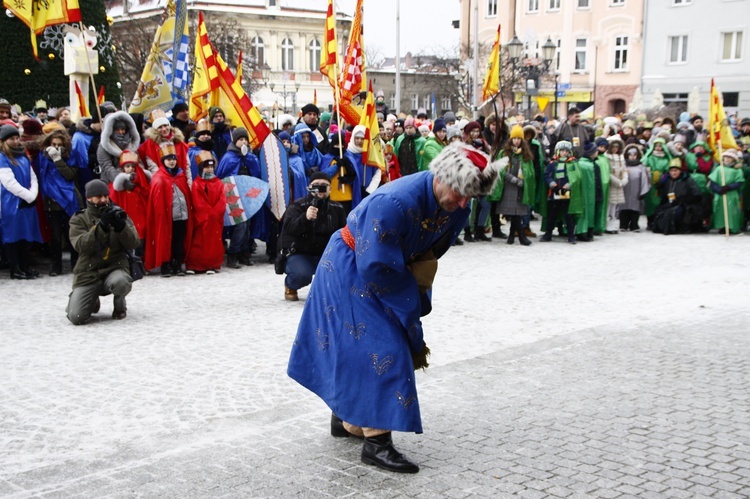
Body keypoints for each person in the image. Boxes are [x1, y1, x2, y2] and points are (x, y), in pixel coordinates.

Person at [287, 142, 503, 474]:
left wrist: (418, 283)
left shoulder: (458, 205)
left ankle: (344, 416)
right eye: (460, 192)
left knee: (358, 346)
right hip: (351, 264)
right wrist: (408, 303)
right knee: (380, 345)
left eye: (470, 197)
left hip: (388, 265)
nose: (463, 203)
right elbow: (376, 266)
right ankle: (377, 444)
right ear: (442, 176)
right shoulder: (395, 202)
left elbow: (433, 248)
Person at [66, 179, 140, 324]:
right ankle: (90, 299)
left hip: (115, 266)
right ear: (89, 198)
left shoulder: (118, 213)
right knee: (76, 317)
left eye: (106, 196)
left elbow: (134, 242)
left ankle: (120, 305)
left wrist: (121, 227)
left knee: (121, 282)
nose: (104, 200)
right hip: (89, 270)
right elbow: (81, 245)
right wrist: (101, 228)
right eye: (99, 197)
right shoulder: (79, 219)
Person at [278, 172, 346, 301]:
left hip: (327, 254)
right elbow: (289, 230)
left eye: (324, 186)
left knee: (345, 274)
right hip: (301, 253)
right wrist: (305, 218)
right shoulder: (297, 206)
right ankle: (290, 285)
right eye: (316, 185)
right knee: (301, 276)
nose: (320, 188)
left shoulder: (337, 208)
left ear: (330, 188)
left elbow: (343, 233)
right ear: (309, 187)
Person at [0, 124, 43, 279]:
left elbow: (32, 177)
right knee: (13, 236)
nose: (16, 141)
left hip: (27, 200)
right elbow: (9, 183)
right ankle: (15, 268)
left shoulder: (22, 155)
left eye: (17, 138)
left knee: (27, 235)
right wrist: (29, 196)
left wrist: (33, 194)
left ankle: (25, 266)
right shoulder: (2, 158)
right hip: (12, 202)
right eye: (12, 139)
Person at [38, 129, 83, 275]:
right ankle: (55, 264)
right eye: (53, 144)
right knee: (55, 236)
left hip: (68, 198)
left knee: (70, 233)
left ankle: (75, 262)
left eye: (59, 144)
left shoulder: (71, 155)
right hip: (51, 200)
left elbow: (70, 175)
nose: (56, 147)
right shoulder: (43, 157)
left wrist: (58, 160)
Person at [145, 143, 193, 276]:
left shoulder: (181, 176)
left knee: (179, 240)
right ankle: (165, 265)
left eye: (173, 159)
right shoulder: (159, 177)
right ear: (163, 161)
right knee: (166, 240)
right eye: (168, 159)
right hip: (167, 217)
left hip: (182, 215)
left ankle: (177, 265)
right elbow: (157, 200)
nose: (171, 162)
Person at [216, 127, 261, 268]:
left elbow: (256, 174)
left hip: (248, 196)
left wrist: (249, 158)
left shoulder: (250, 157)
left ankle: (244, 254)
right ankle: (233, 254)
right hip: (233, 196)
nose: (243, 142)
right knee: (240, 226)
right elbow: (222, 177)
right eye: (240, 140)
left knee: (247, 226)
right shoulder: (229, 158)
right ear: (235, 141)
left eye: (245, 140)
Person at [489, 125, 535, 246]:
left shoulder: (525, 154)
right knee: (514, 213)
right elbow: (503, 171)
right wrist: (515, 180)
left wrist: (525, 180)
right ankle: (521, 236)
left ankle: (511, 235)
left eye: (519, 139)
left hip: (520, 188)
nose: (516, 141)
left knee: (517, 213)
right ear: (511, 139)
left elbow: (529, 171)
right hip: (509, 187)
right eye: (514, 138)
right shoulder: (505, 153)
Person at [186, 151, 227, 273]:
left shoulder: (218, 183)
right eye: (206, 167)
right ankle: (195, 264)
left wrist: (216, 213)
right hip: (201, 218)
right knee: (198, 241)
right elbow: (198, 202)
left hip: (215, 219)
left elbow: (222, 199)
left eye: (211, 167)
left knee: (214, 242)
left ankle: (212, 264)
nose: (209, 169)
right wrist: (208, 213)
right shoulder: (197, 183)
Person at [540, 141, 582, 244]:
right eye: (562, 150)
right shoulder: (553, 163)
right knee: (551, 215)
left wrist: (569, 184)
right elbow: (546, 175)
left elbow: (576, 176)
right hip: (554, 191)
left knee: (568, 216)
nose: (564, 153)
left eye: (566, 151)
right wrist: (552, 183)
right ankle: (548, 233)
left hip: (566, 192)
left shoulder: (572, 163)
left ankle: (571, 235)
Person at [109, 150, 150, 250]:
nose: (131, 169)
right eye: (128, 167)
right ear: (123, 169)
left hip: (140, 216)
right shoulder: (118, 187)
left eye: (133, 167)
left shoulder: (141, 183)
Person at [653, 158, 704, 235]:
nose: (674, 173)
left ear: (680, 171)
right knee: (660, 212)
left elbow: (697, 194)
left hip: (685, 205)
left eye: (676, 171)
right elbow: (662, 194)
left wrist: (682, 200)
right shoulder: (668, 180)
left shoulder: (687, 179)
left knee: (673, 212)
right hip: (670, 203)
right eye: (672, 171)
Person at [708, 149, 745, 235]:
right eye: (726, 157)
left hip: (731, 194)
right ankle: (722, 226)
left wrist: (728, 187)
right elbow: (713, 181)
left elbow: (739, 182)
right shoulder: (719, 169)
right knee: (720, 210)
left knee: (732, 211)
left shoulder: (737, 171)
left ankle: (732, 227)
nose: (727, 159)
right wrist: (718, 189)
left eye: (729, 157)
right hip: (720, 194)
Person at [98, 111, 140, 184]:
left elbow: (138, 162)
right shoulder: (104, 146)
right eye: (117, 130)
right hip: (111, 182)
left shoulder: (131, 143)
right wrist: (122, 180)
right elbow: (107, 167)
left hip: (132, 179)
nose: (121, 132)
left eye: (123, 129)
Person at [619, 144, 651, 232]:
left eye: (634, 155)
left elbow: (644, 179)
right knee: (624, 208)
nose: (632, 157)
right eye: (630, 155)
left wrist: (643, 191)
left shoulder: (641, 167)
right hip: (625, 190)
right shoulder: (623, 165)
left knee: (635, 208)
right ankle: (623, 224)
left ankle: (634, 224)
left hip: (636, 191)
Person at [604, 137, 628, 234]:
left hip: (619, 184)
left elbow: (624, 170)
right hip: (612, 184)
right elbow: (607, 172)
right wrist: (617, 181)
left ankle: (613, 224)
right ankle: (606, 224)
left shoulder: (621, 158)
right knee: (609, 205)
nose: (615, 149)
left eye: (617, 147)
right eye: (613, 147)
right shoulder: (607, 157)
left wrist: (624, 180)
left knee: (615, 205)